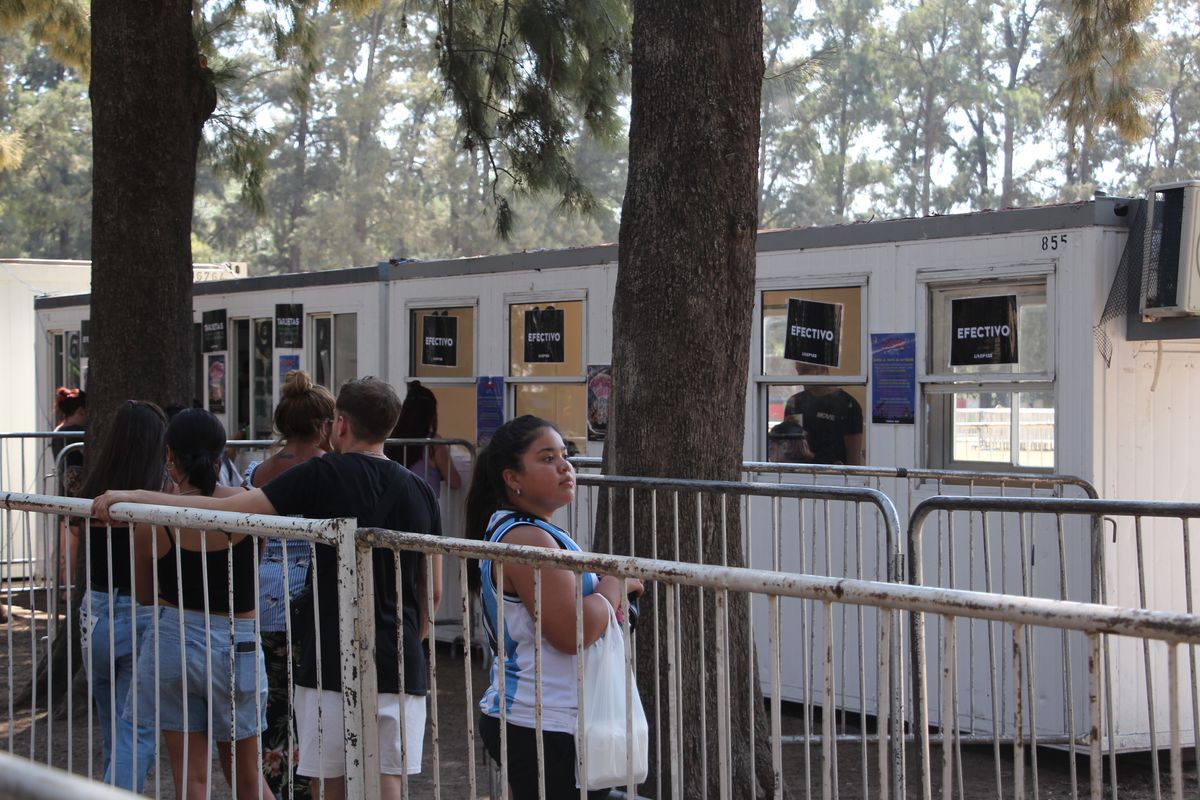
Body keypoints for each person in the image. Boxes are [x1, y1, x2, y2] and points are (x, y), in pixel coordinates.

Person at [94, 377, 442, 800]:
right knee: (389, 775)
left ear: (341, 424)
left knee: (329, 776)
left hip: (329, 649)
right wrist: (413, 637)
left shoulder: (324, 473)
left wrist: (136, 497)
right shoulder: (422, 491)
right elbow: (434, 593)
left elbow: (226, 510)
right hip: (400, 654)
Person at [465, 415, 644, 800]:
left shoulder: (538, 532)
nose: (565, 466)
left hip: (552, 719)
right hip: (538, 721)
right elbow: (570, 632)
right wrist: (614, 584)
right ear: (512, 478)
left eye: (565, 455)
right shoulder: (526, 537)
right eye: (547, 458)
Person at [125, 409, 273, 800]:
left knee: (190, 781)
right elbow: (252, 568)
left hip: (173, 639)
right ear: (222, 454)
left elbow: (143, 595)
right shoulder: (247, 504)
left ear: (170, 455)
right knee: (248, 779)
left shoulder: (150, 518)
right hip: (235, 641)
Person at [244, 370, 334, 799]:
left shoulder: (257, 470)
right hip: (306, 598)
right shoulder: (324, 471)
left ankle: (272, 785)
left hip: (261, 599)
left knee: (270, 707)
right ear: (323, 426)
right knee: (310, 706)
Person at [74, 399, 168, 791]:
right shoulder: (162, 492)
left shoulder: (92, 491)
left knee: (111, 722)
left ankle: (110, 786)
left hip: (94, 610)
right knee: (139, 729)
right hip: (143, 612)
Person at [770, 363, 864, 465]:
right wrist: (787, 431)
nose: (801, 377)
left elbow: (853, 459)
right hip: (799, 473)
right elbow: (787, 450)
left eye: (805, 370)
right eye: (799, 372)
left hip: (834, 475)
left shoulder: (847, 404)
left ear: (822, 368)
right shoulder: (796, 402)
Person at [385, 380, 461, 499]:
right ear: (431, 414)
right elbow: (455, 482)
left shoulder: (391, 441)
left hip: (395, 508)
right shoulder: (433, 442)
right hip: (423, 509)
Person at [52, 387, 87, 494]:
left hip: (65, 492)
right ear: (81, 411)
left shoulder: (57, 431)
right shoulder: (78, 432)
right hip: (81, 493)